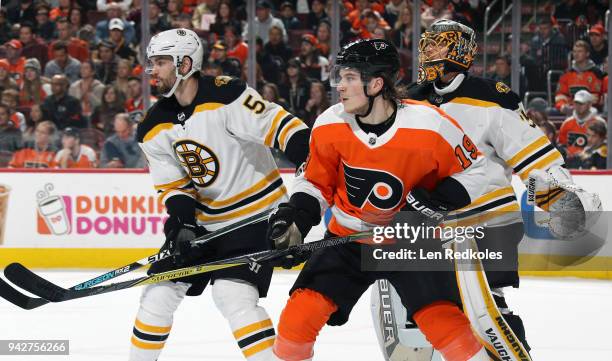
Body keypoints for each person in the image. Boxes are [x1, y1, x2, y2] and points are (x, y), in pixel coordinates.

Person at [267, 38, 491, 361]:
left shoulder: (430, 124)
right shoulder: (330, 124)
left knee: (447, 327)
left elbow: (477, 169)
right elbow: (316, 183)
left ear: (375, 83)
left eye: (349, 78)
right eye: (339, 77)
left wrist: (437, 200)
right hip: (347, 242)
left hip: (410, 243)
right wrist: (296, 219)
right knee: (296, 322)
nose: (339, 87)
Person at [382, 19, 575, 359]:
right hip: (426, 227)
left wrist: (560, 200)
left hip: (486, 222)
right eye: (427, 43)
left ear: (459, 51)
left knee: (486, 311)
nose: (427, 51)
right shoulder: (409, 100)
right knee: (420, 318)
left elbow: (531, 156)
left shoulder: (490, 98)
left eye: (437, 43)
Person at [129, 28, 310, 361]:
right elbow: (175, 186)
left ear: (184, 64)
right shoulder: (152, 125)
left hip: (259, 217)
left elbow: (284, 128)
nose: (151, 70)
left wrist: (313, 172)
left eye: (160, 62)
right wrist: (182, 224)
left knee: (233, 295)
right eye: (151, 62)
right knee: (157, 295)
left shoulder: (228, 95)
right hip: (208, 225)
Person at [558, 90, 606, 167]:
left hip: (594, 162)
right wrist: (566, 152)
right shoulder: (567, 122)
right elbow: (561, 144)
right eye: (576, 102)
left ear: (590, 104)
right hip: (570, 162)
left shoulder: (600, 122)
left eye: (581, 103)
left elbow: (604, 145)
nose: (578, 105)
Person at [555, 40, 604, 114]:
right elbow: (560, 95)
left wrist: (578, 107)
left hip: (590, 110)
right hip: (569, 109)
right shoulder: (566, 73)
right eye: (574, 51)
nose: (576, 54)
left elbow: (595, 98)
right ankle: (531, 125)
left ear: (587, 54)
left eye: (580, 51)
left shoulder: (596, 73)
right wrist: (563, 107)